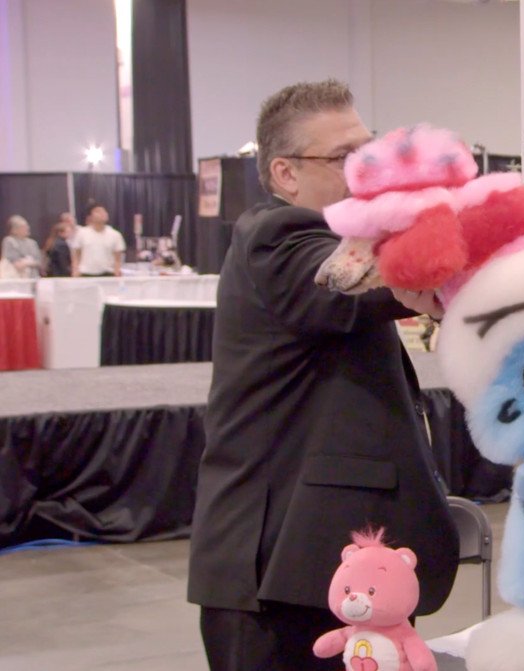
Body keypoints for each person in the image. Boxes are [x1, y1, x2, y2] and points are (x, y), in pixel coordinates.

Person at [186, 79, 460, 671]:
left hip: (328, 573)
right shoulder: (279, 235)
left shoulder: (324, 238)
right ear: (286, 175)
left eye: (371, 151)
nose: (370, 171)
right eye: (346, 159)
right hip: (281, 577)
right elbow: (377, 276)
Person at [70, 203, 126, 277]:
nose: (102, 214)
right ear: (90, 217)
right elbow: (76, 255)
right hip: (86, 273)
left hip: (108, 273)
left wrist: (117, 271)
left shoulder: (115, 234)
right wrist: (75, 271)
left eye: (104, 211)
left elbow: (118, 258)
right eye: (98, 211)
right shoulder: (81, 233)